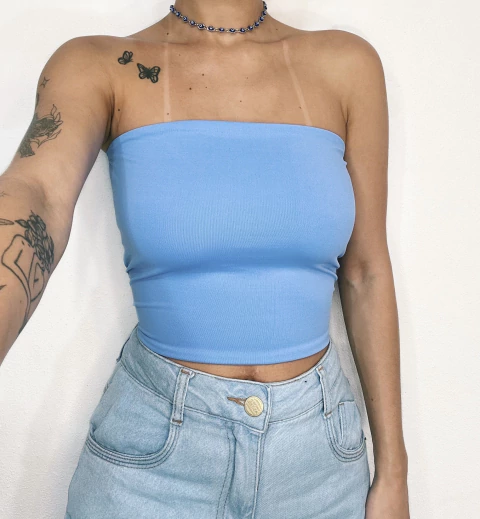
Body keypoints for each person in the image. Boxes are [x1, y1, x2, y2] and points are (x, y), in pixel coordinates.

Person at [0, 0, 409, 517]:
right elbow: (35, 194)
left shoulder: (347, 64)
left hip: (319, 467)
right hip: (152, 467)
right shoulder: (99, 65)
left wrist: (394, 472)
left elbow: (366, 271)